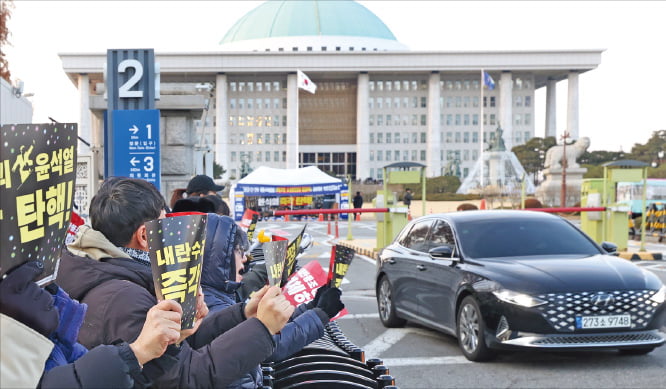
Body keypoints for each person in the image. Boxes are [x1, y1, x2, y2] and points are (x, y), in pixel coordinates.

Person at [56, 177, 294, 388]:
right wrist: (262, 328)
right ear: (143, 236)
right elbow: (186, 376)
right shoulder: (125, 297)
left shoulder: (109, 273)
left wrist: (243, 313)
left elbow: (176, 347)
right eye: (164, 224)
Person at [200, 213, 345, 388]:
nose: (245, 258)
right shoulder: (210, 303)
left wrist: (310, 307)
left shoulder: (217, 295)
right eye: (239, 252)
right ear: (219, 259)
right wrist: (318, 314)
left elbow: (265, 329)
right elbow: (269, 343)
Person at [0, 260, 185, 389]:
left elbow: (80, 370)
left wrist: (170, 336)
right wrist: (136, 353)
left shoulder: (54, 323)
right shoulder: (126, 294)